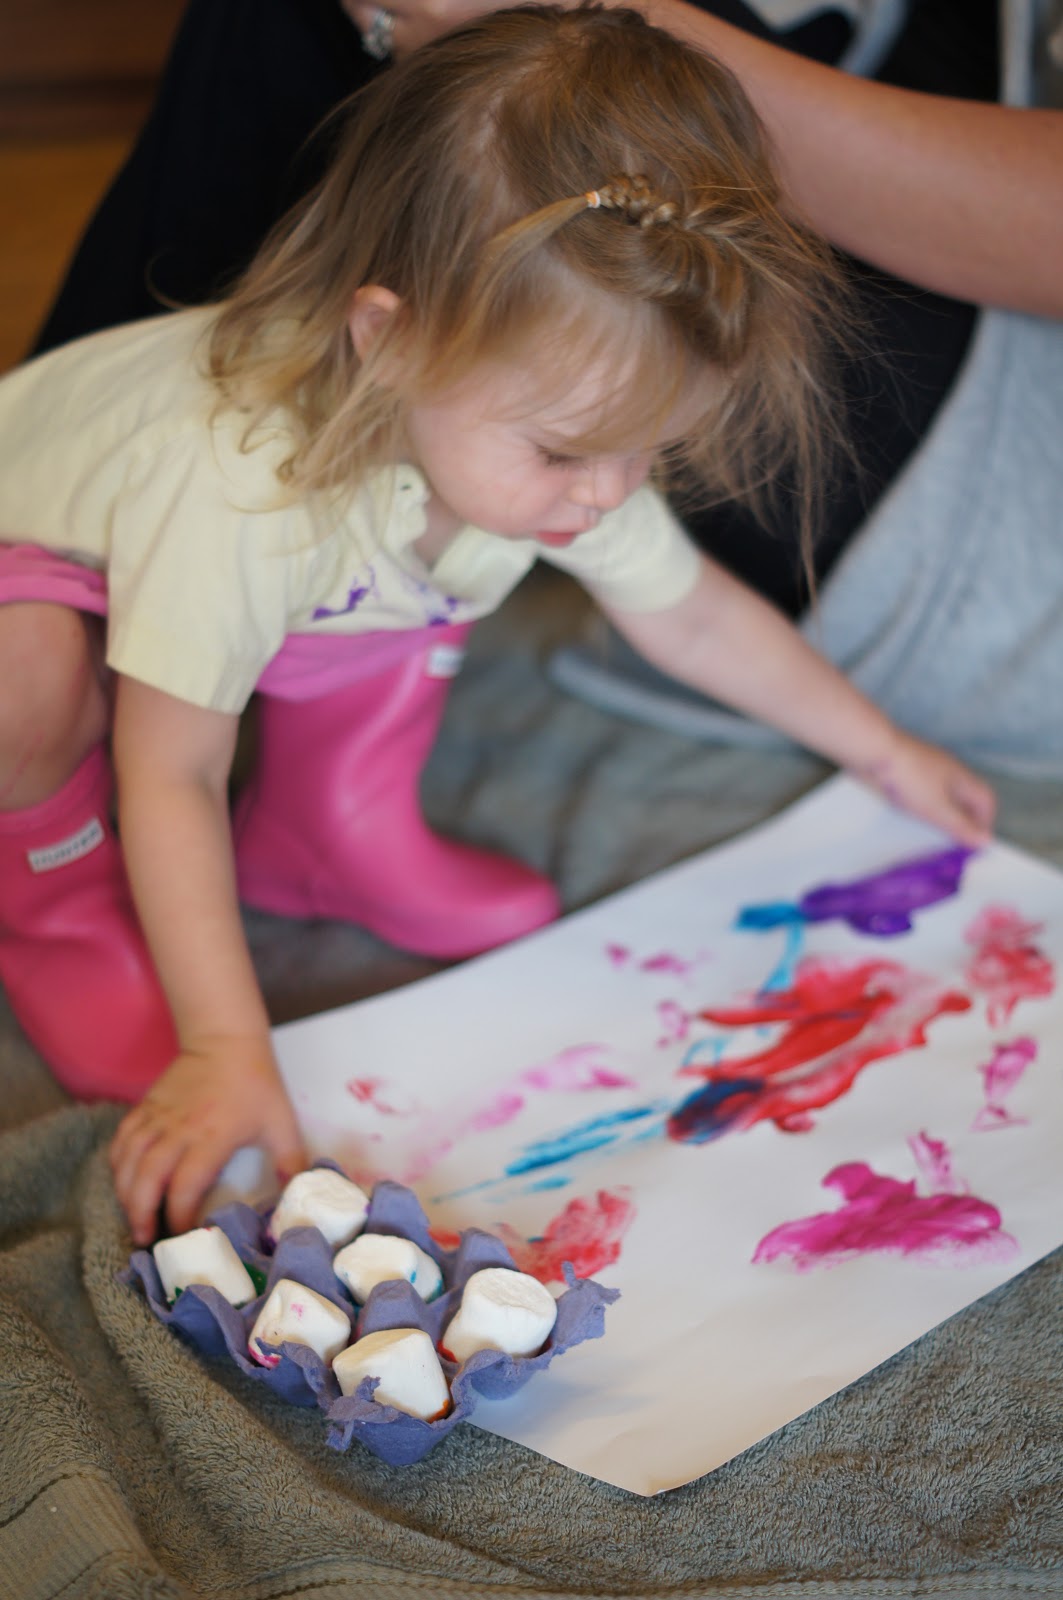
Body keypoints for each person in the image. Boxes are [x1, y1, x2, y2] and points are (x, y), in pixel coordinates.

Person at [0, 5, 994, 1247]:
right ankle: (56, 908)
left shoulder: (544, 435)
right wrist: (225, 1044)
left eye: (647, 448)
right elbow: (175, 768)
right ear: (388, 341)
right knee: (30, 687)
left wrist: (881, 751)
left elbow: (692, 618)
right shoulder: (241, 482)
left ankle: (323, 830)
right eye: (568, 450)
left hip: (293, 562)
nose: (609, 494)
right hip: (38, 567)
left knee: (426, 572)